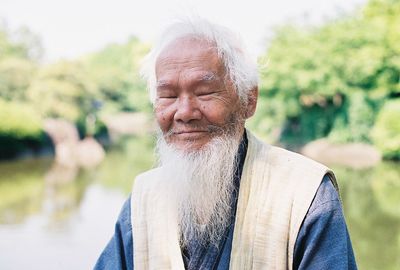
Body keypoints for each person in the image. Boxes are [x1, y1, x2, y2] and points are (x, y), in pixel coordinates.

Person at [94, 18, 357, 270]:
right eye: (168, 95)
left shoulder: (305, 194)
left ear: (248, 100)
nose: (184, 112)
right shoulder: (144, 200)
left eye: (205, 92)